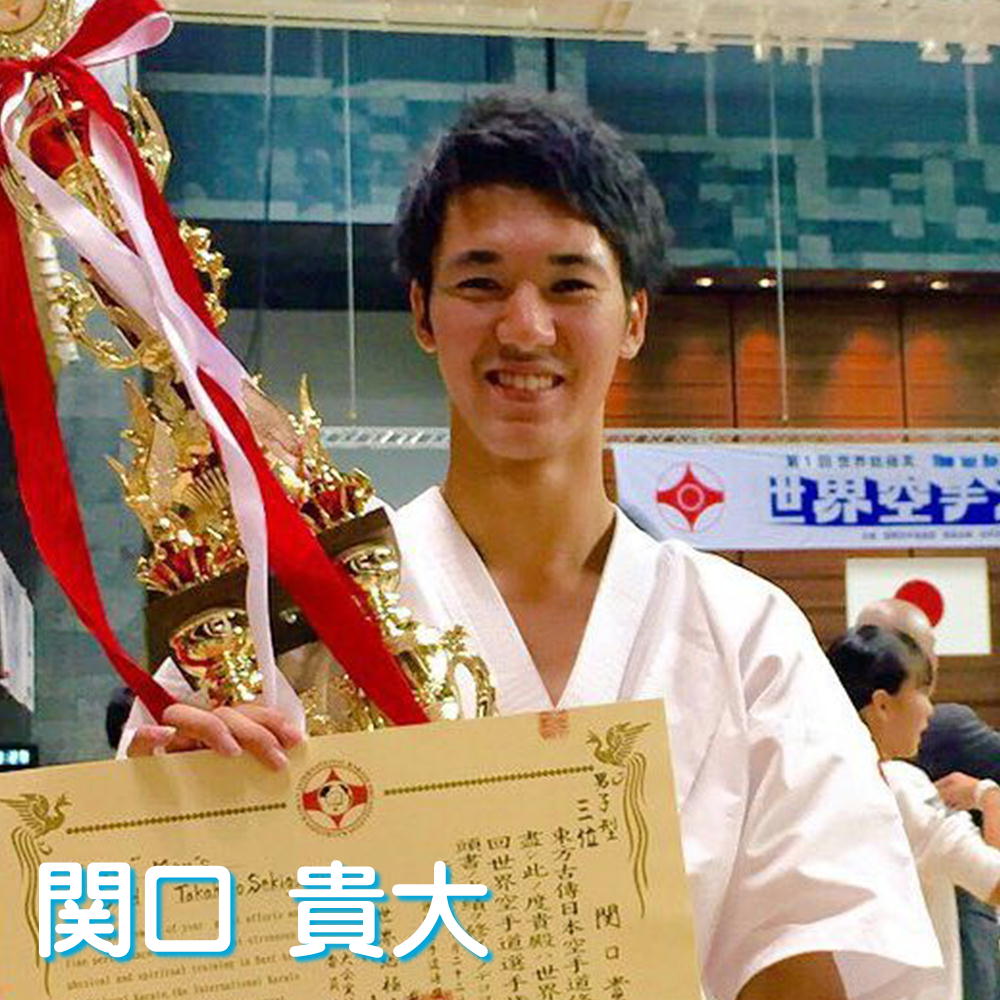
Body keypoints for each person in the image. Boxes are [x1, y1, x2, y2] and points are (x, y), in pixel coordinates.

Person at [124, 92, 945, 999]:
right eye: (480, 283)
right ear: (423, 312)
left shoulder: (747, 633)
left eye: (569, 285)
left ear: (634, 318)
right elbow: (157, 939)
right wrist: (169, 828)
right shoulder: (286, 615)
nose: (525, 328)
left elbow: (807, 956)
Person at [828, 625, 1000, 1000]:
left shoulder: (813, 787)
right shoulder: (903, 789)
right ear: (882, 705)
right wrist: (988, 796)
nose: (929, 709)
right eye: (920, 691)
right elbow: (994, 880)